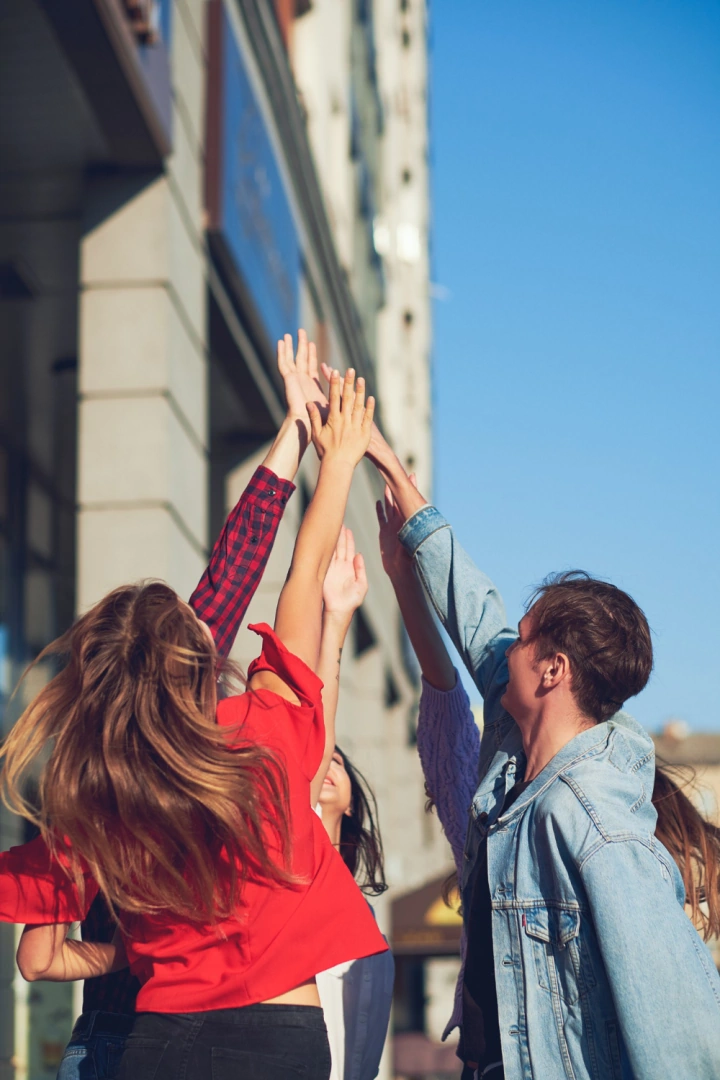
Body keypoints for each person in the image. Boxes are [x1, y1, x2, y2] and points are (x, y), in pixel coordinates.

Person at [0, 364, 387, 1079]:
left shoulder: (98, 801)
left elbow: (37, 945)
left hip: (151, 1044)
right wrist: (335, 460)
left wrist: (311, 447)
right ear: (192, 665)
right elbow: (296, 580)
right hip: (274, 1041)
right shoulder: (260, 735)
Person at [366, 432, 720, 1080]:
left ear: (554, 671)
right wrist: (386, 461)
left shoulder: (592, 822)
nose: (507, 648)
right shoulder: (515, 755)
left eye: (524, 641)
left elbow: (679, 1028)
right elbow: (473, 610)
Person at [313, 534, 395, 1080]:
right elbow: (313, 727)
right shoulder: (279, 859)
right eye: (324, 758)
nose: (327, 766)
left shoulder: (361, 916)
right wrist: (334, 624)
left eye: (338, 763)